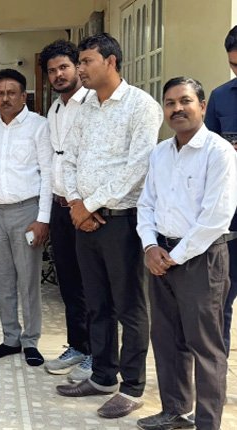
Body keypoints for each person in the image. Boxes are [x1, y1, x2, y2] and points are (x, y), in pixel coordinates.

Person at [56, 33, 162, 420]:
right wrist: (76, 203)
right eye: (80, 62)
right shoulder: (85, 108)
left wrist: (91, 205)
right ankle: (102, 376)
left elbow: (139, 166)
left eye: (86, 61)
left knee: (129, 306)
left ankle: (132, 387)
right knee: (96, 303)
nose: (80, 69)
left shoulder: (141, 106)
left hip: (122, 221)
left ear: (111, 62)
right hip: (85, 222)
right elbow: (68, 159)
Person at [136, 76, 237, 430]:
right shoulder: (160, 153)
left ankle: (208, 423)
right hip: (160, 255)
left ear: (203, 107)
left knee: (205, 345)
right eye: (170, 103)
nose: (177, 109)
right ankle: (175, 411)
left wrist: (174, 256)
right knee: (166, 339)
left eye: (185, 101)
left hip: (202, 258)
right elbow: (146, 204)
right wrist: (150, 246)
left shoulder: (219, 153)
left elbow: (216, 217)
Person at [0, 68, 52, 367]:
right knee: (2, 280)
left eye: (11, 93)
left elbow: (48, 174)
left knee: (28, 280)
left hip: (27, 212)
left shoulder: (39, 126)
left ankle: (31, 340)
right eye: (0, 93)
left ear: (24, 96)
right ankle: (10, 338)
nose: (5, 98)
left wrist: (43, 218)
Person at [39, 40, 93, 381]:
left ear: (77, 67)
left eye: (64, 67)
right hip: (60, 207)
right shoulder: (55, 110)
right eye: (52, 71)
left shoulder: (91, 104)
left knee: (93, 284)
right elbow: (51, 164)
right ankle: (78, 345)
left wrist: (86, 204)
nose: (58, 75)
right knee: (69, 282)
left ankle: (98, 354)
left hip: (86, 208)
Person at [205, 25, 237, 356]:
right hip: (231, 218)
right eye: (234, 65)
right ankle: (216, 370)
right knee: (221, 297)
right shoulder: (221, 97)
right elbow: (207, 154)